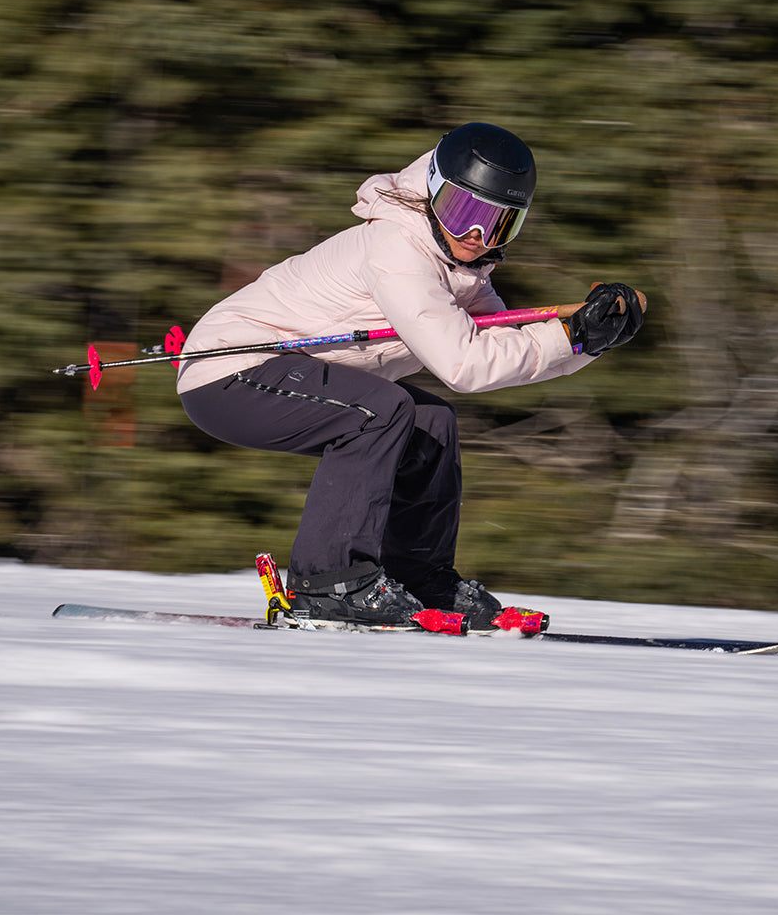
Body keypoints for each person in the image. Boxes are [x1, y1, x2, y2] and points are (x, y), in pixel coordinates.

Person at [176, 122, 644, 629]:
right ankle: (328, 582)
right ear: (433, 193)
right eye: (465, 213)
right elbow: (464, 364)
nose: (475, 236)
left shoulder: (464, 267)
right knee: (380, 412)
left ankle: (420, 577)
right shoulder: (399, 249)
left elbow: (499, 349)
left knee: (431, 422)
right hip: (227, 372)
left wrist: (590, 340)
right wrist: (570, 337)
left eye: (498, 224)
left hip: (295, 372)